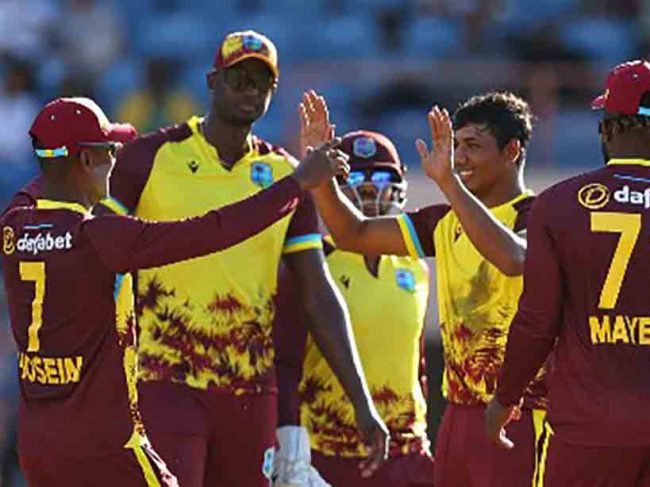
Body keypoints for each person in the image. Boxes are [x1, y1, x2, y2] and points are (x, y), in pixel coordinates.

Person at [1, 96, 349, 486]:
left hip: (38, 448)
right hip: (108, 447)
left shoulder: (14, 224)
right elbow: (213, 230)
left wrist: (56, 155)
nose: (116, 160)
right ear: (85, 162)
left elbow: (45, 175)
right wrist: (296, 183)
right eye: (109, 150)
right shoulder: (99, 237)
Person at [97, 30, 389, 487]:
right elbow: (101, 246)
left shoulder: (285, 172)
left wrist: (361, 400)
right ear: (213, 81)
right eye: (239, 78)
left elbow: (317, 290)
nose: (250, 88)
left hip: (250, 389)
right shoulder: (151, 156)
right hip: (163, 379)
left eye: (261, 81)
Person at [486, 59, 650, 487]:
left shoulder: (559, 206)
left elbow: (537, 321)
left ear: (606, 126)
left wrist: (505, 397)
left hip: (586, 428)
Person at [300, 90, 547, 487]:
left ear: (511, 150)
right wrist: (320, 176)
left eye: (472, 146)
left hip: (517, 412)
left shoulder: (540, 214)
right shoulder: (444, 222)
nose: (459, 158)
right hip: (457, 414)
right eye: (456, 146)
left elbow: (515, 259)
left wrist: (449, 184)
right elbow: (353, 232)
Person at [273, 131, 434, 487]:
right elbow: (284, 364)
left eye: (380, 178)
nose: (368, 191)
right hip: (329, 451)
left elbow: (415, 367)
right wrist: (290, 448)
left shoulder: (415, 268)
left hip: (407, 455)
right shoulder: (311, 265)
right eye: (356, 179)